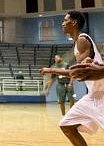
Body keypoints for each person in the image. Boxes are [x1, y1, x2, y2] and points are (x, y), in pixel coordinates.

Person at [40, 10, 104, 146]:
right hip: (93, 96)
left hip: (103, 95)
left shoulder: (82, 40)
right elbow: (78, 71)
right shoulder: (77, 43)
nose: (62, 23)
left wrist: (51, 70)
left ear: (74, 22)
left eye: (65, 20)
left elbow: (77, 72)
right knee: (67, 125)